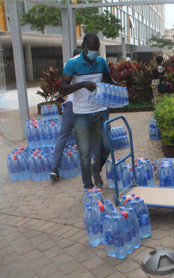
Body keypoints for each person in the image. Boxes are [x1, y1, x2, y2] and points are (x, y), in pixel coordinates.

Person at [59, 33, 121, 190]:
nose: (94, 51)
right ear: (84, 47)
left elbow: (108, 80)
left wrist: (119, 84)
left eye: (96, 48)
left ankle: (96, 168)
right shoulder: (72, 64)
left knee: (106, 147)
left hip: (101, 111)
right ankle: (88, 186)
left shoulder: (101, 62)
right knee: (85, 153)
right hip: (81, 114)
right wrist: (82, 84)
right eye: (91, 48)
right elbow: (62, 88)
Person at [49, 48, 81, 184]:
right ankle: (91, 169)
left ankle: (54, 168)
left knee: (62, 137)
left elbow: (63, 91)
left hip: (69, 106)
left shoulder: (68, 66)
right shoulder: (84, 66)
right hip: (81, 107)